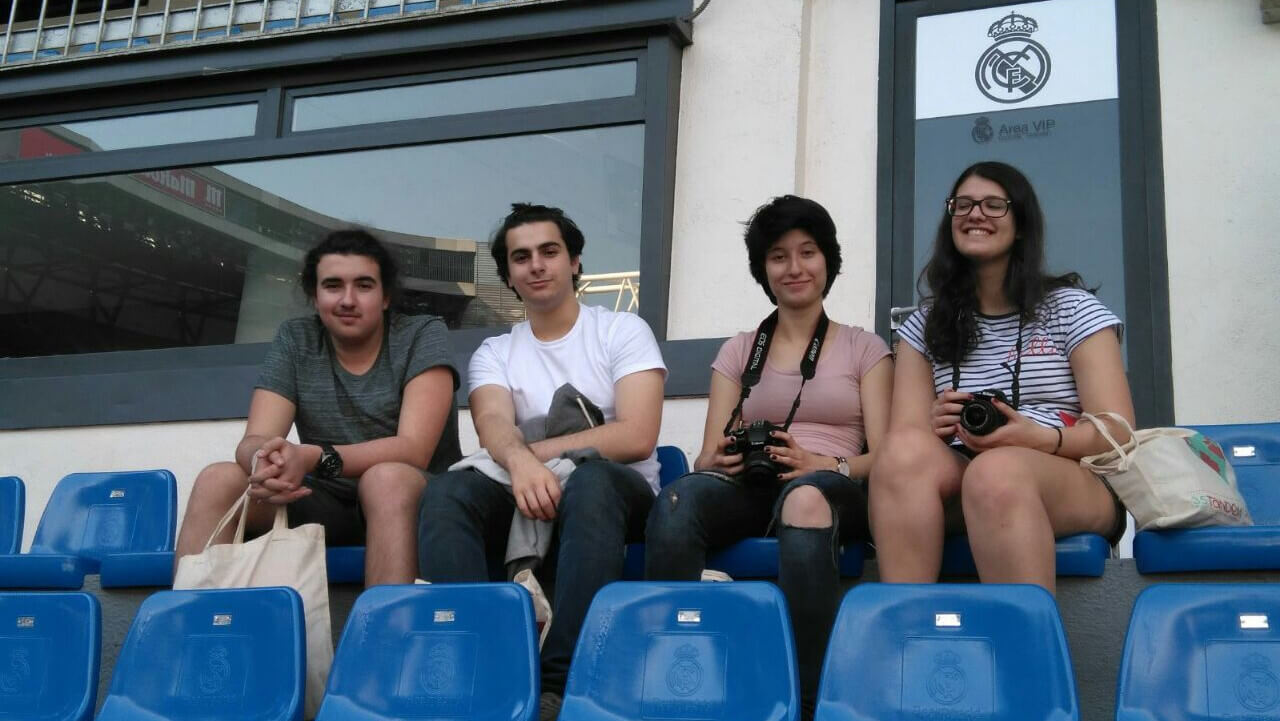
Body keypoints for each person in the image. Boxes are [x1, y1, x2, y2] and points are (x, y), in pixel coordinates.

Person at [644, 195, 893, 719]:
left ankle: (809, 701)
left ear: (828, 261)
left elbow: (888, 457)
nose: (794, 267)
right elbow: (705, 456)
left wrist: (821, 465)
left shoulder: (864, 348)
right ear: (763, 270)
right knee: (676, 499)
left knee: (804, 499)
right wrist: (718, 460)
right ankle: (680, 680)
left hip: (833, 485)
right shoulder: (740, 350)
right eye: (779, 256)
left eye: (807, 252)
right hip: (752, 486)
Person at [417, 203, 666, 721]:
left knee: (592, 482)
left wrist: (531, 458)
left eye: (549, 251)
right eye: (521, 257)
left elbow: (637, 435)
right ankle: (480, 673)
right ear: (508, 275)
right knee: (446, 491)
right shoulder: (495, 351)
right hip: (523, 490)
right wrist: (522, 466)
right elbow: (492, 424)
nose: (536, 265)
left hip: (618, 494)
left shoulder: (622, 330)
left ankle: (561, 682)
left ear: (574, 262)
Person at [869, 161, 1134, 593]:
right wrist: (935, 425)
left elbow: (1117, 431)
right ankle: (908, 622)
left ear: (1022, 224)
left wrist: (1038, 438)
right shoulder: (925, 325)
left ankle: (1026, 635)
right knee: (901, 453)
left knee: (996, 471)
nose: (975, 214)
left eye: (994, 205)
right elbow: (906, 436)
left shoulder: (1072, 308)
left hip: (1069, 474)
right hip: (964, 474)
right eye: (963, 205)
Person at [175, 229, 462, 586]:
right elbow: (254, 439)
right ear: (314, 296)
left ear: (386, 296)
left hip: (416, 500)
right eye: (333, 286)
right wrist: (267, 461)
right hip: (327, 503)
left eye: (364, 285)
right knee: (218, 479)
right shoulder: (297, 339)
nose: (348, 300)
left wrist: (312, 457)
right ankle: (189, 617)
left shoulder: (421, 334)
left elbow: (413, 450)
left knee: (385, 479)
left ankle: (386, 623)